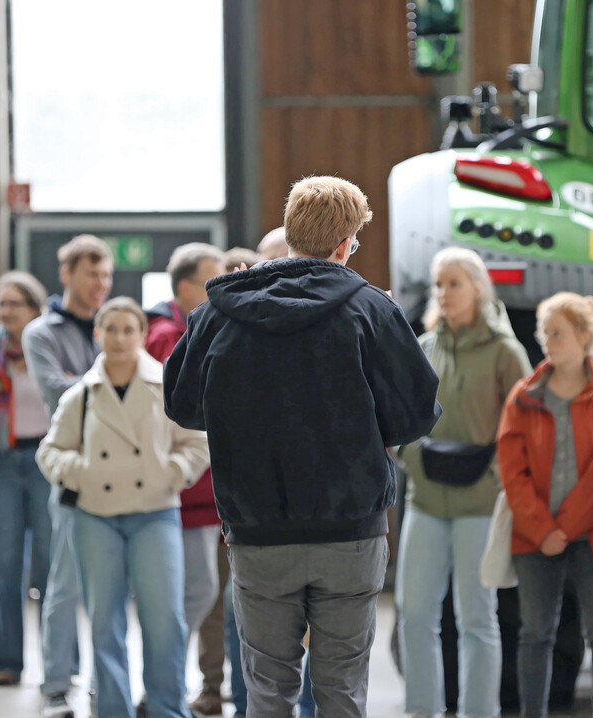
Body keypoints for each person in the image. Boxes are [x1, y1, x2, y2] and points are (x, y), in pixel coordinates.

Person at [164, 175, 440, 717]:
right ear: (344, 245)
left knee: (267, 692)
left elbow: (181, 403)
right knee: (341, 692)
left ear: (289, 233)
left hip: (257, 527)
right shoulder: (370, 310)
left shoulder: (221, 311)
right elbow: (416, 413)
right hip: (350, 530)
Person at [37, 297, 209, 718]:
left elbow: (198, 442)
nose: (118, 338)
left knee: (165, 618)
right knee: (103, 620)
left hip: (156, 511)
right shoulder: (81, 394)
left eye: (128, 329)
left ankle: (168, 707)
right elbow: (49, 452)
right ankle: (113, 709)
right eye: (110, 329)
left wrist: (172, 473)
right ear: (97, 333)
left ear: (142, 334)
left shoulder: (165, 384)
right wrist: (81, 472)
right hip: (95, 514)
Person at [395, 247, 531, 718]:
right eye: (438, 284)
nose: (443, 293)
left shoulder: (505, 352)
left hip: (481, 505)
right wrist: (410, 458)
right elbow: (399, 417)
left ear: (478, 287)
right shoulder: (424, 346)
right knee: (414, 616)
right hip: (425, 501)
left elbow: (526, 428)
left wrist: (495, 478)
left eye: (454, 283)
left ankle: (480, 713)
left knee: (477, 618)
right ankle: (422, 710)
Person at [498, 292, 593, 718]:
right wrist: (543, 530)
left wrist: (566, 527)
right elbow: (512, 472)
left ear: (585, 337)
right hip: (537, 536)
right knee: (535, 634)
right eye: (544, 332)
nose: (546, 341)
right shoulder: (523, 396)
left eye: (557, 333)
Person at [23, 233, 114, 718]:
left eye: (105, 275)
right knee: (65, 582)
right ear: (67, 274)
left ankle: (106, 686)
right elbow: (58, 393)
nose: (100, 284)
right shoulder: (41, 333)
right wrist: (114, 380)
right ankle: (56, 685)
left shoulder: (111, 325)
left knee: (108, 589)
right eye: (91, 274)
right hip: (73, 471)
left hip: (120, 473)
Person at [144, 242, 227, 716]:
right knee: (189, 596)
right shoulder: (165, 338)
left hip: (210, 490)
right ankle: (163, 684)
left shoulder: (209, 327)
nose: (220, 290)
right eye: (210, 281)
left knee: (208, 597)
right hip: (183, 493)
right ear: (184, 287)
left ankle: (193, 686)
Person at [0, 271, 54, 687]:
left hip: (44, 459)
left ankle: (58, 665)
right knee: (4, 568)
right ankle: (6, 663)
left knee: (49, 566)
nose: (5, 312)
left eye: (14, 304)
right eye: (0, 304)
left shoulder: (48, 345)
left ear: (35, 309)